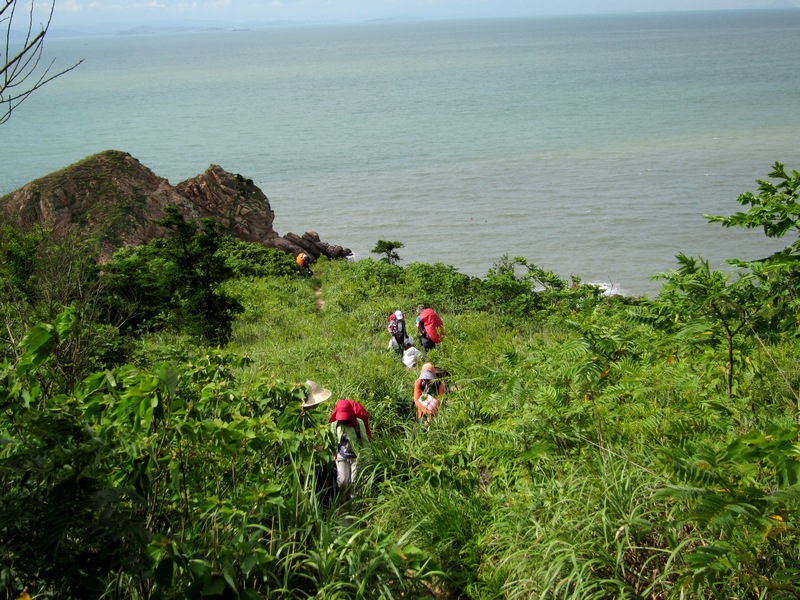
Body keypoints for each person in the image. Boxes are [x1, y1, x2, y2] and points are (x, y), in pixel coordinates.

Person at [329, 399, 372, 498]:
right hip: (341, 456)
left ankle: (355, 505)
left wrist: (368, 458)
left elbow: (365, 441)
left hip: (356, 456)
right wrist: (333, 454)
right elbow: (333, 440)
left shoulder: (358, 423)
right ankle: (344, 502)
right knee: (342, 482)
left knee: (355, 482)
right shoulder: (335, 424)